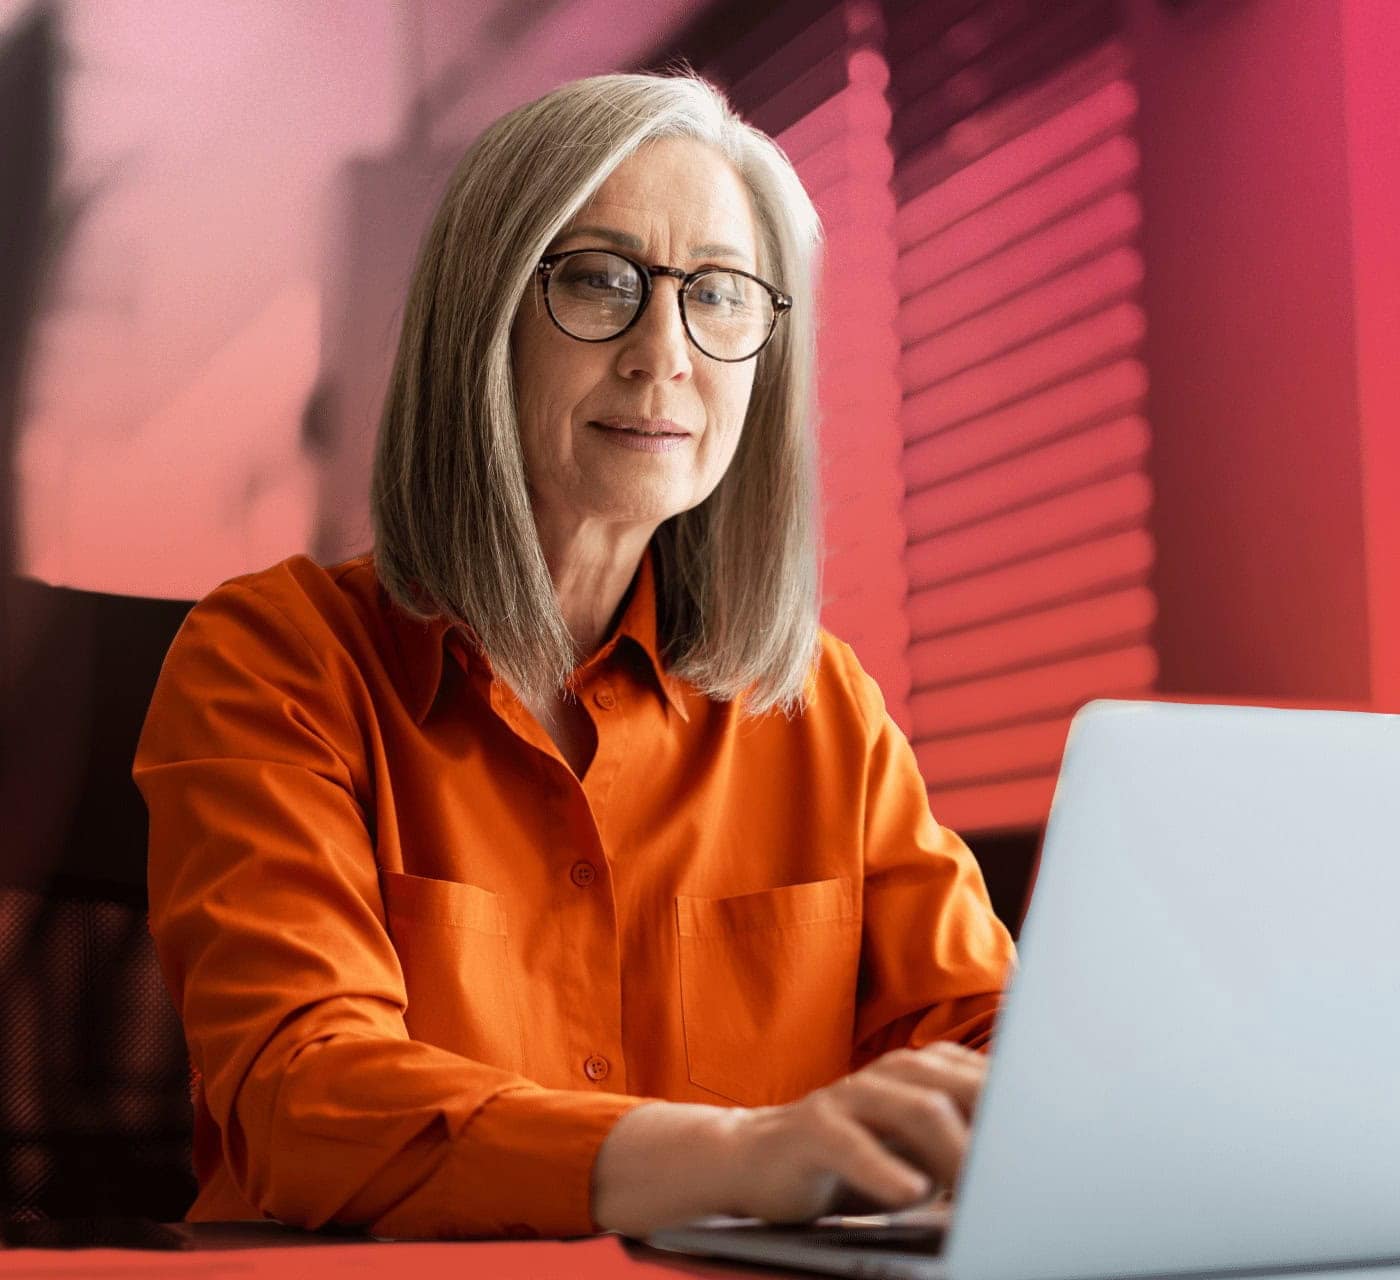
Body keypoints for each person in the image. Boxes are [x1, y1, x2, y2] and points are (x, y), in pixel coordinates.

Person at [133, 71, 1015, 1241]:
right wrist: (737, 1155)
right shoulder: (270, 661)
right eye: (599, 281)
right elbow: (305, 1097)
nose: (667, 354)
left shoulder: (821, 709)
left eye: (719, 293)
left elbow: (988, 1043)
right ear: (480, 319)